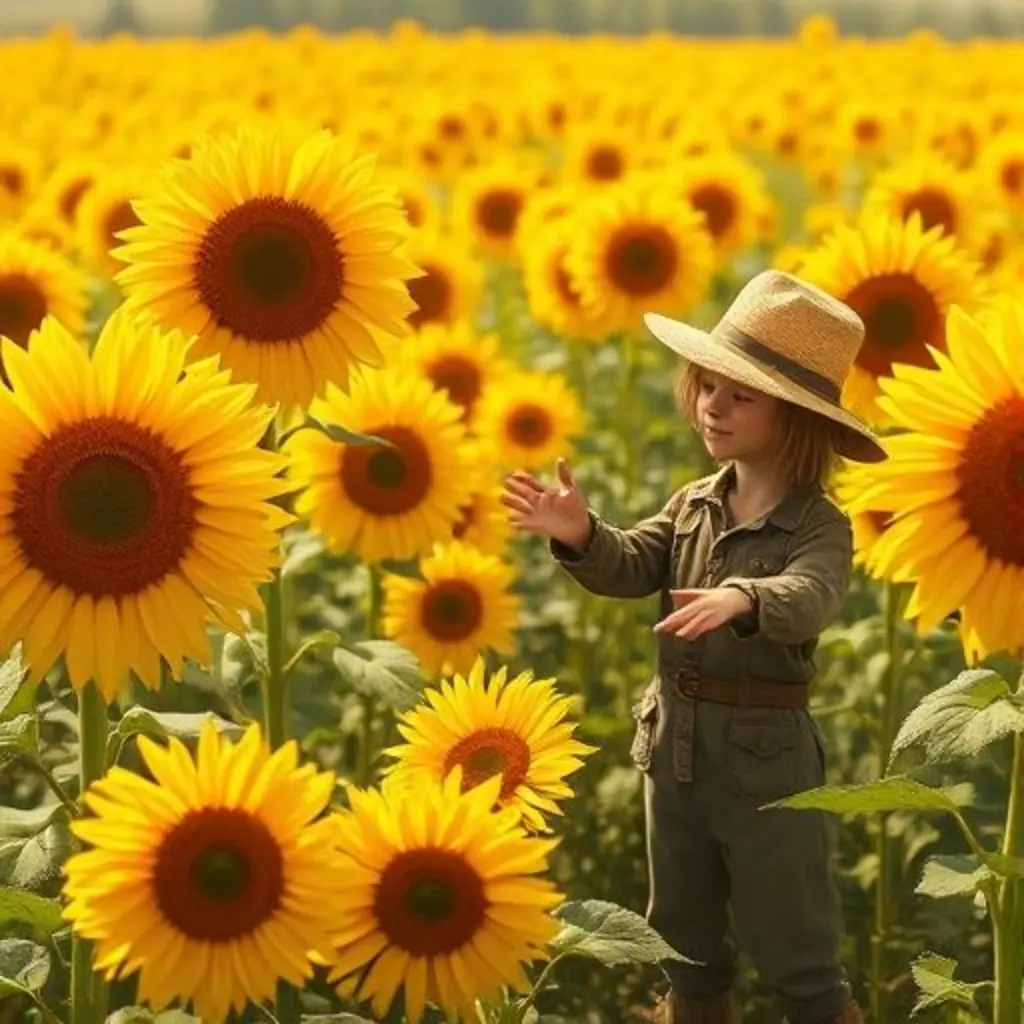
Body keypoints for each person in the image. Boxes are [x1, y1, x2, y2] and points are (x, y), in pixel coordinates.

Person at [501, 270, 886, 1024]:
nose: (714, 404)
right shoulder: (693, 504)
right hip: (673, 750)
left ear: (796, 418)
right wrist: (581, 534)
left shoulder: (819, 525)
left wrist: (745, 598)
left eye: (741, 395)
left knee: (795, 942)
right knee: (680, 940)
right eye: (709, 385)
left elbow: (812, 595)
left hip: (767, 764)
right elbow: (632, 564)